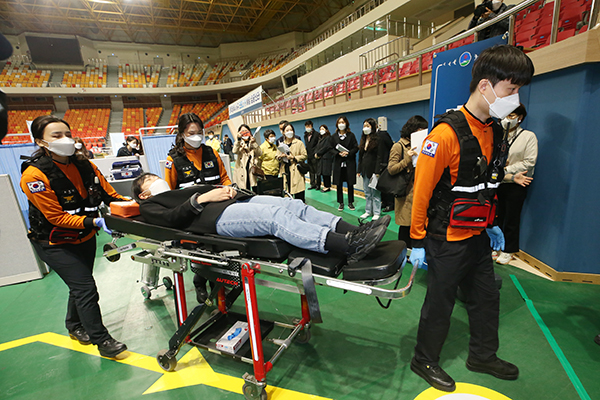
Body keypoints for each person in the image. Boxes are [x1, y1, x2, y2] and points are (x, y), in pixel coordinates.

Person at [409, 45, 535, 392]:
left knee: (486, 298)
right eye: (511, 89)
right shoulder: (445, 134)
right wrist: (417, 241)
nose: (515, 97)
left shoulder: (495, 131)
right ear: (485, 86)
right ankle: (424, 359)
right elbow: (422, 191)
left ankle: (482, 355)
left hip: (478, 235)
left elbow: (486, 184)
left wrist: (491, 221)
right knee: (440, 302)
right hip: (446, 240)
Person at [20, 115, 128, 358]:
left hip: (85, 238)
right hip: (54, 242)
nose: (65, 140)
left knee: (79, 285)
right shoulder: (34, 176)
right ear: (41, 142)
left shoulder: (86, 165)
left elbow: (110, 195)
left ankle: (74, 325)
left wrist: (138, 205)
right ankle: (103, 341)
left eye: (67, 134)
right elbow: (56, 218)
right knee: (86, 287)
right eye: (56, 136)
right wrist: (96, 221)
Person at [131, 173, 390, 264]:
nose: (158, 181)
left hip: (232, 201)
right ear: (143, 193)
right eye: (152, 180)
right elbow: (172, 219)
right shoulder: (149, 205)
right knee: (273, 217)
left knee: (294, 204)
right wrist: (202, 199)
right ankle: (347, 246)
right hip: (215, 218)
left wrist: (227, 190)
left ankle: (355, 230)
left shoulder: (176, 190)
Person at [495, 104, 536, 265]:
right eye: (505, 115)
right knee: (497, 215)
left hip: (517, 182)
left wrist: (506, 170)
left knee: (512, 217)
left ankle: (508, 250)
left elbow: (529, 162)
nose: (507, 119)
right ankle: (496, 246)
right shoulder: (498, 135)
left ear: (520, 118)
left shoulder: (528, 136)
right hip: (497, 181)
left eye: (511, 115)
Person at [388, 115, 428, 248]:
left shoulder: (423, 144)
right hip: (405, 192)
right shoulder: (398, 146)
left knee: (418, 222)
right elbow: (391, 169)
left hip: (420, 189)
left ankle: (415, 249)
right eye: (420, 129)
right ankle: (403, 251)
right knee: (406, 225)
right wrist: (407, 159)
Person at [164, 113, 231, 190]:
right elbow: (169, 192)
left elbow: (224, 179)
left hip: (218, 200)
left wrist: (229, 188)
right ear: (182, 134)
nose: (196, 136)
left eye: (199, 133)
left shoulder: (212, 153)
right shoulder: (173, 160)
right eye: (191, 133)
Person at [331, 116, 358, 211]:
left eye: (343, 122)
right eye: (339, 122)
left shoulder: (351, 135)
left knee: (350, 184)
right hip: (339, 163)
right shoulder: (333, 137)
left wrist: (348, 153)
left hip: (349, 163)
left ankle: (351, 202)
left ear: (346, 123)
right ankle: (341, 203)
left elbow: (356, 148)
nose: (341, 124)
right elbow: (330, 148)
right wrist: (338, 153)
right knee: (339, 184)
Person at [358, 118, 382, 221]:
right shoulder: (363, 140)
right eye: (364, 126)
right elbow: (360, 156)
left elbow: (379, 157)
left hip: (373, 171)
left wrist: (377, 172)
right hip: (365, 170)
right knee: (367, 193)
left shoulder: (377, 140)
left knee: (375, 193)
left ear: (372, 127)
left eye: (368, 126)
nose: (365, 128)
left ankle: (376, 212)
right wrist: (359, 170)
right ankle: (368, 211)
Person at [278, 122, 307, 201]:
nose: (289, 132)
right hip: (285, 171)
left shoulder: (299, 143)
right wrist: (280, 157)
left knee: (299, 196)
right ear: (283, 132)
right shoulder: (281, 144)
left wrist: (294, 157)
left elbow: (305, 155)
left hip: (296, 171)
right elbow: (277, 156)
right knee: (287, 195)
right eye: (287, 130)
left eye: (291, 130)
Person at [233, 124, 262, 191]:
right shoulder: (239, 142)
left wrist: (254, 143)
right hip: (242, 169)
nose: (244, 133)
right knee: (245, 188)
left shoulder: (253, 141)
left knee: (255, 187)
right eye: (242, 131)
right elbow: (234, 151)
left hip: (252, 168)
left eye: (246, 131)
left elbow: (259, 153)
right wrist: (238, 139)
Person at [376, 118, 395, 213]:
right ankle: (384, 201)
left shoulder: (383, 134)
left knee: (387, 184)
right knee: (380, 185)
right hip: (376, 164)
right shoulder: (370, 137)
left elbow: (391, 146)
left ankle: (390, 204)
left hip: (384, 163)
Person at [314, 124, 334, 193]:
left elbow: (326, 147)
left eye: (323, 129)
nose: (321, 130)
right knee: (322, 173)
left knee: (326, 173)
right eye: (320, 129)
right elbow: (317, 147)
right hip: (321, 158)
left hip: (326, 158)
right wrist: (316, 154)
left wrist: (318, 153)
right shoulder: (320, 139)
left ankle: (327, 186)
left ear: (326, 130)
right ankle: (325, 185)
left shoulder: (328, 138)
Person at [304, 120, 321, 190]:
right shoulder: (305, 135)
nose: (308, 127)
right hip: (309, 156)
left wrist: (316, 153)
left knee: (317, 171)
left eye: (309, 126)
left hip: (315, 155)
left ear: (312, 126)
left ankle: (318, 185)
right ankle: (312, 184)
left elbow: (318, 145)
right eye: (306, 126)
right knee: (311, 171)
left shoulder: (317, 134)